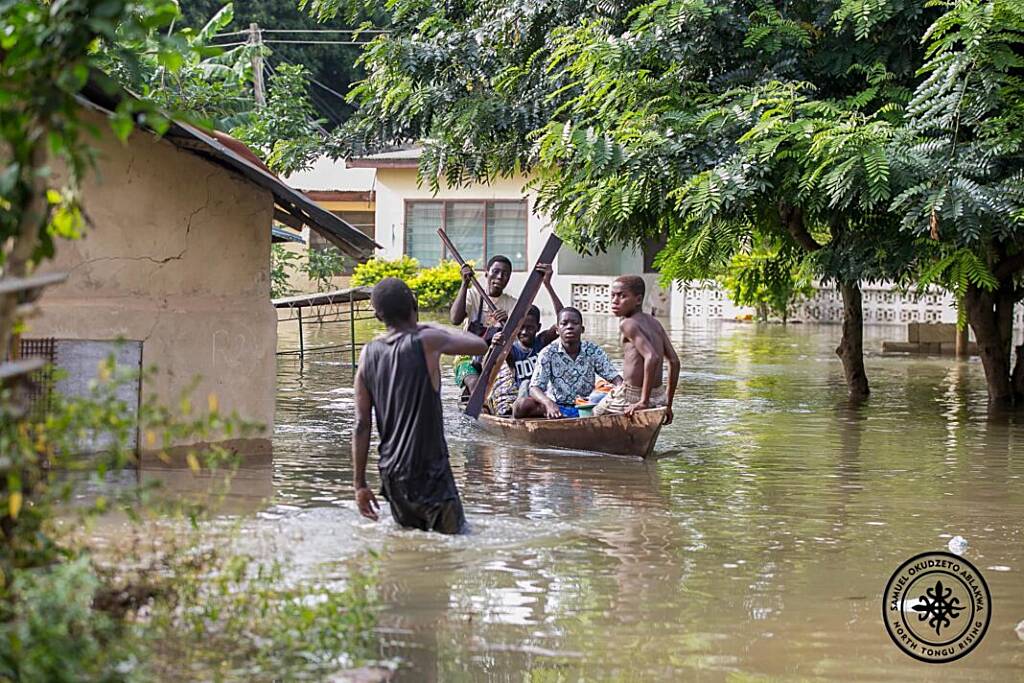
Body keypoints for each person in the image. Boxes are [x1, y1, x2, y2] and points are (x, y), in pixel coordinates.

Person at [353, 277, 487, 534]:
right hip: (431, 472)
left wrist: (359, 485)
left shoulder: (368, 353)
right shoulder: (427, 340)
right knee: (452, 548)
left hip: (392, 474)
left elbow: (361, 424)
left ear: (379, 316)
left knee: (410, 546)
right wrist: (431, 324)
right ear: (414, 307)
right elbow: (479, 345)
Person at [449, 256, 562, 400]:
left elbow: (518, 337)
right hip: (468, 357)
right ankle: (479, 403)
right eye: (495, 272)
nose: (500, 277)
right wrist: (464, 283)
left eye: (505, 274)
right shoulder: (473, 295)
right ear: (486, 273)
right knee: (475, 384)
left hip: (497, 358)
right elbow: (454, 319)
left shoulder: (513, 304)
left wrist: (507, 322)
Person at [593, 276, 680, 424]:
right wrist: (668, 404)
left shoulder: (627, 324)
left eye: (622, 296)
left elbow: (652, 357)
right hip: (659, 395)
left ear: (638, 300)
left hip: (632, 395)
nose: (615, 301)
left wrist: (643, 401)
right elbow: (674, 361)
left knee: (595, 412)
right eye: (613, 295)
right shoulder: (655, 322)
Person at [513, 307, 622, 419]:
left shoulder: (593, 350)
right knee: (522, 406)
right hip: (557, 406)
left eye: (575, 323)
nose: (570, 327)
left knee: (616, 396)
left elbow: (615, 378)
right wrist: (548, 403)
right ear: (557, 330)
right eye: (564, 323)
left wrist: (619, 390)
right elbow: (534, 388)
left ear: (582, 329)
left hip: (587, 406)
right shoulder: (548, 352)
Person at [487, 304, 561, 416]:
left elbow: (562, 321)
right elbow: (487, 367)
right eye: (521, 327)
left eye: (530, 328)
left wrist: (549, 288)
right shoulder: (512, 350)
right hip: (525, 400)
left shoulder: (542, 341)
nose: (524, 332)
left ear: (538, 327)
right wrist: (494, 345)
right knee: (527, 383)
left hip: (544, 394)